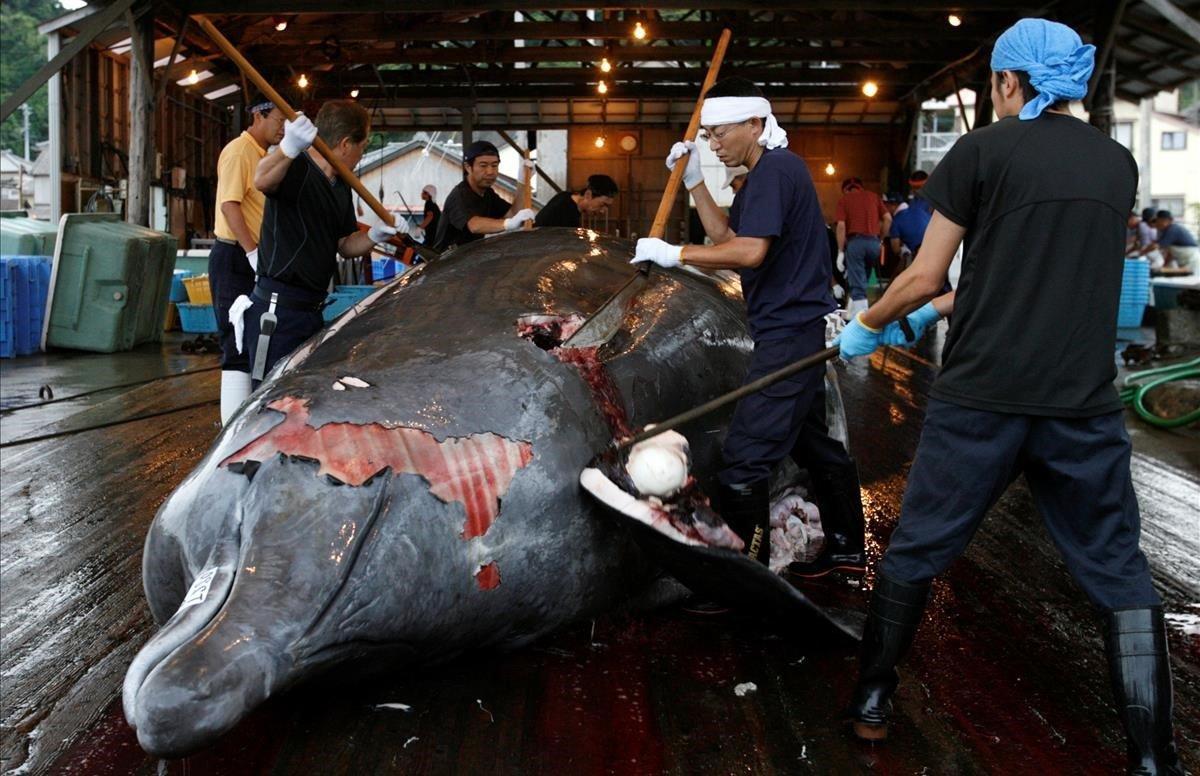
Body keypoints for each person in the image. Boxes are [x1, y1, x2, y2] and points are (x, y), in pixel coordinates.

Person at [835, 19, 1183, 773]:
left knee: (919, 545)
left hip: (983, 396)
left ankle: (871, 700)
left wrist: (869, 325)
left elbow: (925, 273)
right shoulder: (1116, 164)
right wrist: (930, 313)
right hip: (1081, 401)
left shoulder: (982, 151)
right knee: (1118, 568)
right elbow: (1027, 277)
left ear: (1007, 81)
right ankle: (1153, 757)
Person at [631, 76, 866, 578]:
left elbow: (748, 253)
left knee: (743, 459)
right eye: (707, 136)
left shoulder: (777, 171)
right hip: (792, 328)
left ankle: (749, 575)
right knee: (811, 442)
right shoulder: (765, 175)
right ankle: (847, 547)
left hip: (789, 334)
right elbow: (729, 238)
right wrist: (695, 181)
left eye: (719, 134)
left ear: (756, 123)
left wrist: (674, 253)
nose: (713, 144)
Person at [241, 100, 403, 386]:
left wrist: (375, 235)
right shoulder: (295, 164)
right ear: (344, 144)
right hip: (278, 309)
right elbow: (262, 179)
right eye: (362, 146)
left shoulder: (341, 186)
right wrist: (288, 147)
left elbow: (344, 244)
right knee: (269, 399)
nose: (361, 154)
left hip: (312, 310)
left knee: (302, 397)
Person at [210, 96, 285, 423]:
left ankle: (246, 425)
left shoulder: (262, 156)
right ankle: (230, 435)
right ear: (259, 115)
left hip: (251, 255)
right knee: (236, 342)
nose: (283, 129)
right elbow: (230, 205)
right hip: (234, 256)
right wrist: (252, 252)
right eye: (279, 121)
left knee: (254, 340)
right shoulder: (240, 151)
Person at [433, 141, 535, 250]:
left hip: (469, 257)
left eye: (494, 165)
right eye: (483, 165)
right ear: (468, 167)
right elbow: (474, 225)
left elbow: (512, 214)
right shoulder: (460, 195)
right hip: (446, 261)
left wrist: (523, 182)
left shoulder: (488, 193)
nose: (490, 171)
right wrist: (509, 224)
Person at [836, 177, 891, 316]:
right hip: (873, 244)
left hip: (856, 243)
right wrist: (880, 239)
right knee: (862, 279)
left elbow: (841, 226)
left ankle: (862, 320)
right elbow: (888, 219)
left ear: (845, 190)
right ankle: (851, 312)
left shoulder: (845, 200)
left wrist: (840, 251)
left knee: (857, 283)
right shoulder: (874, 197)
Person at [534, 174, 619, 228]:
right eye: (602, 204)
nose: (603, 211)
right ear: (588, 195)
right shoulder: (564, 209)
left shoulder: (566, 197)